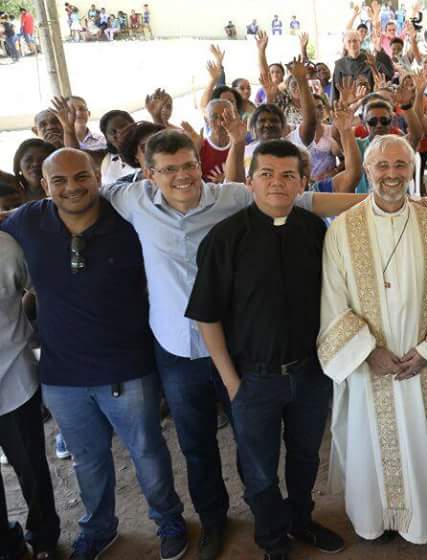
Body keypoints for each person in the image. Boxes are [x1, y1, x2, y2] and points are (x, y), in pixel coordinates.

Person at [99, 130, 360, 560]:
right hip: (202, 357)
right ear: (149, 174)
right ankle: (235, 529)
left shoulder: (269, 211)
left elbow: (311, 206)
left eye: (188, 165)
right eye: (169, 169)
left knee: (295, 454)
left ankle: (298, 519)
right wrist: (233, 381)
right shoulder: (155, 209)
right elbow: (79, 191)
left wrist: (394, 200)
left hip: (292, 366)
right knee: (206, 448)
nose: (181, 176)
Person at [0, 149, 189, 560]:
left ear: (95, 176)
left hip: (128, 369)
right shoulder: (27, 222)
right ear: (44, 186)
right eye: (59, 181)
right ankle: (99, 528)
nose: (72, 187)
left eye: (81, 176)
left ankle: (168, 519)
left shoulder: (128, 218)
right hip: (62, 376)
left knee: (148, 453)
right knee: (87, 461)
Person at [188, 141, 343, 560]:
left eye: (288, 175)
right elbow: (207, 315)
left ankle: (301, 520)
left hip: (310, 373)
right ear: (250, 181)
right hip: (252, 378)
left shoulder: (314, 230)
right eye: (267, 174)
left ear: (302, 183)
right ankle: (272, 538)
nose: (278, 182)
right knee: (258, 469)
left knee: (306, 456)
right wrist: (231, 381)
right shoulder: (225, 238)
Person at [318, 134, 427, 544]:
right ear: (366, 171)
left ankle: (417, 520)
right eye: (381, 167)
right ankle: (373, 521)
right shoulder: (342, 231)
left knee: (421, 438)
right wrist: (367, 352)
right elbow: (332, 300)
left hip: (420, 363)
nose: (391, 174)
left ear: (412, 170)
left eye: (400, 166)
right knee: (369, 442)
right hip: (370, 365)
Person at [0, 230, 60, 560]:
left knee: (31, 467)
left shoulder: (6, 247)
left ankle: (45, 538)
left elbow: (42, 292)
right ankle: (5, 543)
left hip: (14, 380)